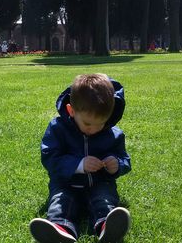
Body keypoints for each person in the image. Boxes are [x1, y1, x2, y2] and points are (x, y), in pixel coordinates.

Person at [30, 73, 131, 243]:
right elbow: (50, 158)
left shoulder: (113, 134)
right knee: (61, 201)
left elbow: (124, 159)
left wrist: (117, 164)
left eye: (102, 123)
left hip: (100, 182)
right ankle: (60, 229)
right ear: (71, 111)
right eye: (88, 124)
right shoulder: (58, 129)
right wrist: (79, 164)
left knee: (104, 199)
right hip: (66, 183)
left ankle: (107, 227)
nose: (95, 129)